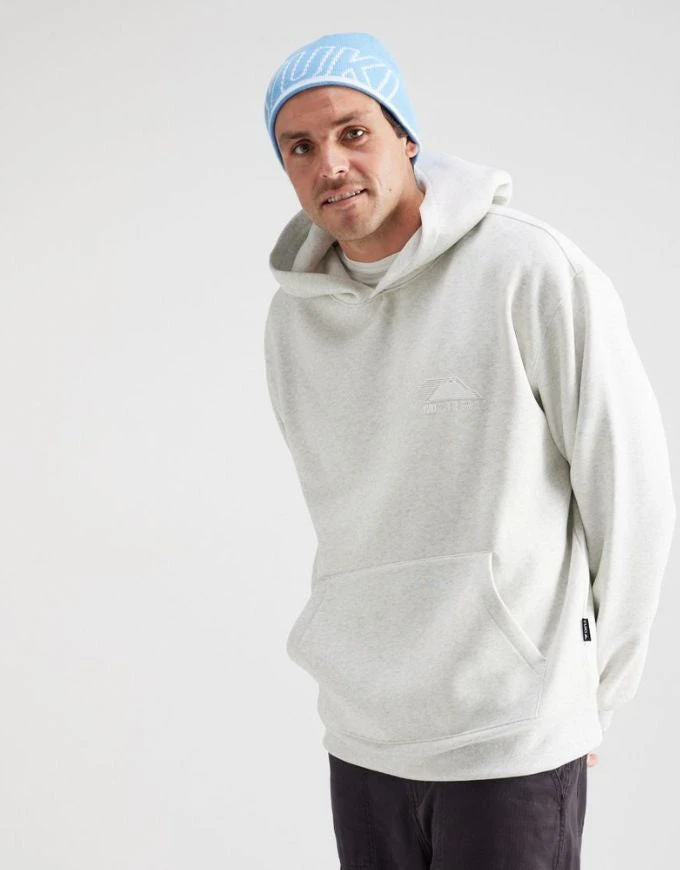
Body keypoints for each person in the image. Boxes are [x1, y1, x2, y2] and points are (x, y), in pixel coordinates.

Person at [262, 31, 676, 868]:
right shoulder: (293, 319)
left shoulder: (528, 269)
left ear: (406, 136)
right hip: (364, 735)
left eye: (352, 132)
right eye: (299, 147)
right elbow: (345, 511)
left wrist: (595, 694)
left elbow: (629, 489)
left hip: (509, 737)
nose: (330, 164)